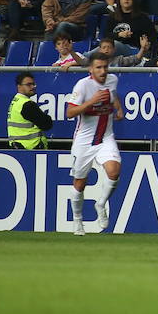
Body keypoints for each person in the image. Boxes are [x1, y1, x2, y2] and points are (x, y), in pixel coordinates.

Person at [64, 53, 123, 236]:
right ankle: (77, 221)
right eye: (98, 67)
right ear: (91, 69)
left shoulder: (112, 80)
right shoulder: (83, 86)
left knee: (114, 171)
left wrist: (119, 108)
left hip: (105, 136)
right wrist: (91, 101)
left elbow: (113, 96)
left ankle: (101, 203)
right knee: (80, 183)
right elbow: (70, 112)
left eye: (105, 67)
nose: (103, 71)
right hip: (84, 141)